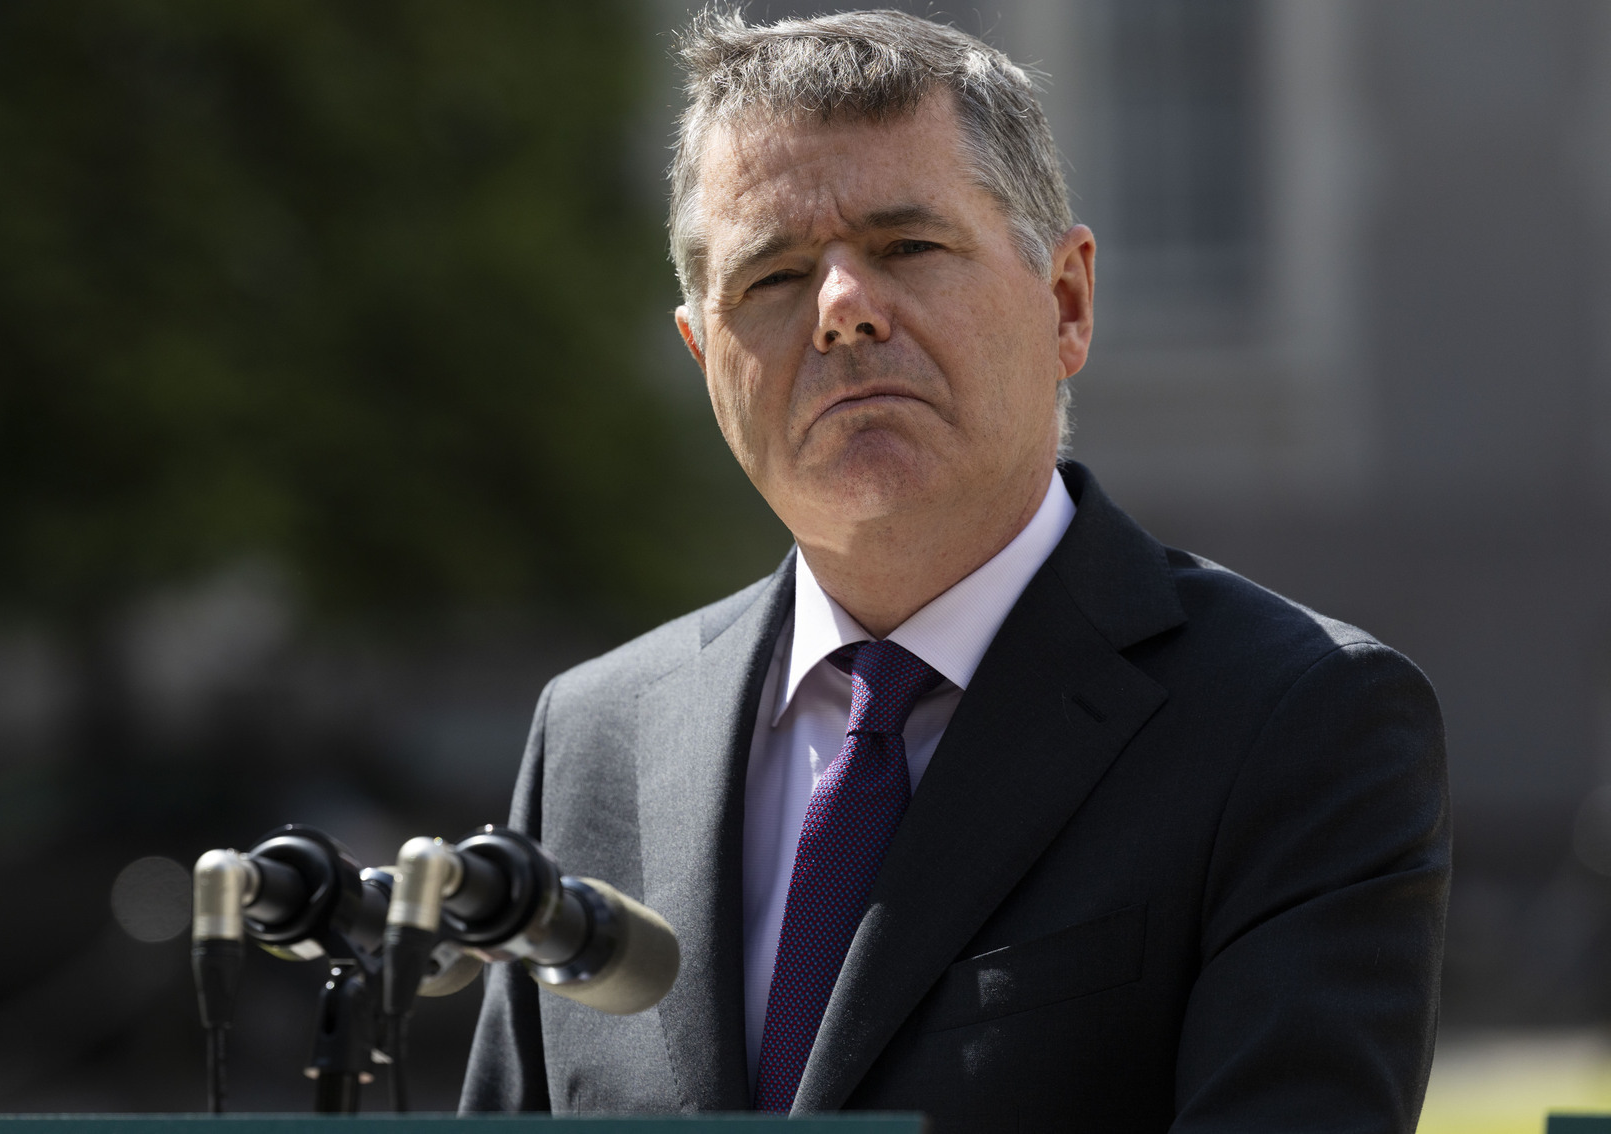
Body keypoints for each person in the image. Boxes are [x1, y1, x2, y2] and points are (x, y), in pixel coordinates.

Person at [460, 10, 1449, 1132]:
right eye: (774, 275)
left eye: (906, 248)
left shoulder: (1298, 720)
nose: (841, 310)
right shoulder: (594, 738)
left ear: (1066, 302)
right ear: (704, 358)